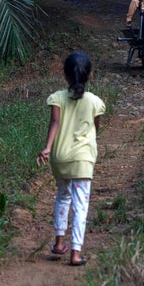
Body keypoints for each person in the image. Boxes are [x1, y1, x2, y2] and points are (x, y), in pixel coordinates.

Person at [36, 51, 106, 266]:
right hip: (82, 160)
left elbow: (54, 124)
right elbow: (97, 127)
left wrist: (47, 149)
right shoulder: (95, 102)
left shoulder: (57, 98)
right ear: (91, 75)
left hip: (60, 158)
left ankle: (59, 244)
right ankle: (75, 253)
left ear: (65, 75)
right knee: (81, 205)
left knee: (63, 197)